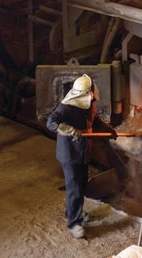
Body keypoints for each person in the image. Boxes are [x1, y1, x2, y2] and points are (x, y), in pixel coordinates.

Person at [46, 74, 117, 239]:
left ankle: (72, 211)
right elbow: (51, 122)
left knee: (82, 184)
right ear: (86, 92)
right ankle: (73, 223)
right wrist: (70, 130)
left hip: (83, 152)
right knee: (75, 188)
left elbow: (95, 120)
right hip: (70, 154)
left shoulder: (88, 104)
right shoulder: (67, 106)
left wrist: (109, 130)